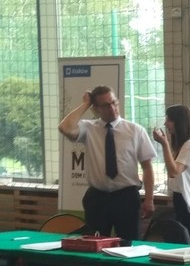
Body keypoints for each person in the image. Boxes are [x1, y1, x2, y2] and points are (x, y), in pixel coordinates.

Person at [58, 86, 155, 243]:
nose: (112, 108)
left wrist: (149, 199)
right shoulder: (89, 128)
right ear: (96, 108)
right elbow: (65, 127)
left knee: (129, 244)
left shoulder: (135, 130)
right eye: (105, 105)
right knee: (94, 243)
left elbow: (147, 166)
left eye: (114, 102)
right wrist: (85, 104)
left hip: (126, 196)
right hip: (98, 197)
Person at [152, 105, 190, 243]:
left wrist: (164, 144)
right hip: (181, 201)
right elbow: (172, 172)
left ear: (179, 122)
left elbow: (174, 171)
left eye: (169, 120)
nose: (165, 123)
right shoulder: (182, 146)